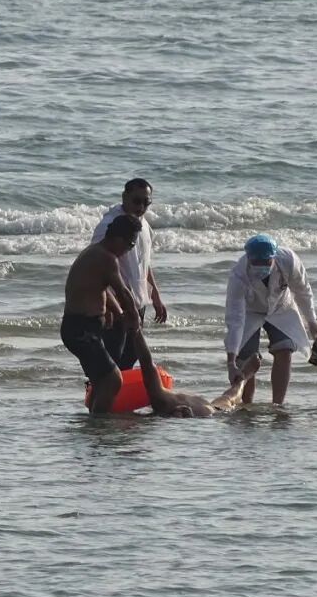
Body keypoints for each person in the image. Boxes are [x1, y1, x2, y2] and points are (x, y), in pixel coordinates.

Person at [224, 234, 317, 405]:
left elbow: (302, 291)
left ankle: (278, 404)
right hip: (250, 312)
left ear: (274, 257)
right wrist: (231, 363)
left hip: (281, 307)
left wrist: (311, 320)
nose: (261, 266)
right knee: (246, 359)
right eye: (256, 262)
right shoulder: (238, 276)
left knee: (284, 349)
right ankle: (247, 405)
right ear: (248, 258)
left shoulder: (289, 260)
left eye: (266, 262)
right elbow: (235, 318)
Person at [61, 214, 143, 414]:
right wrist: (135, 319)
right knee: (113, 379)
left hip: (81, 328)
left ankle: (95, 420)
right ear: (119, 238)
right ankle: (100, 424)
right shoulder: (106, 258)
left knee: (100, 381)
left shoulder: (95, 253)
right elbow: (122, 292)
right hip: (81, 330)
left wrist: (115, 312)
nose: (128, 250)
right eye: (131, 245)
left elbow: (102, 288)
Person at [90, 178, 167, 370]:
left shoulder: (143, 225)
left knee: (131, 356)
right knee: (110, 362)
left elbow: (144, 263)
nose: (141, 207)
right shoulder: (109, 225)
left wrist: (155, 294)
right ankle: (98, 389)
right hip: (115, 305)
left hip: (138, 302)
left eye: (146, 202)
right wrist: (109, 307)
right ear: (124, 197)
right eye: (136, 201)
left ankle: (121, 389)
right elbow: (96, 267)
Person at [131, 331, 261, 417]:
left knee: (230, 396)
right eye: (181, 414)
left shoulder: (163, 402)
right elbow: (147, 366)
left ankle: (244, 377)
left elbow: (147, 366)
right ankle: (244, 377)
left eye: (180, 413)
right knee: (231, 396)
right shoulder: (167, 403)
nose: (181, 412)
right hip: (216, 411)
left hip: (211, 409)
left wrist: (136, 331)